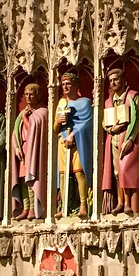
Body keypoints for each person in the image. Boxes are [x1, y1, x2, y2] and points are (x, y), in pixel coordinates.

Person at [102, 68, 139, 215]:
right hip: (113, 138)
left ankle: (129, 203)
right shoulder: (108, 101)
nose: (113, 82)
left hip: (128, 137)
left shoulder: (133, 96)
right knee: (117, 172)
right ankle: (120, 202)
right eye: (111, 80)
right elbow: (103, 122)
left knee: (127, 170)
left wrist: (131, 138)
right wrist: (111, 129)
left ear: (123, 80)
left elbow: (138, 119)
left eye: (116, 79)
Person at [53, 73, 93, 218]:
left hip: (78, 141)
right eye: (63, 84)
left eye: (68, 83)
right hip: (63, 141)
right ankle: (64, 207)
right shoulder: (61, 104)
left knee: (79, 172)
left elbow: (88, 123)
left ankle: (83, 205)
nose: (65, 86)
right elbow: (54, 128)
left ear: (76, 85)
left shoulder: (85, 103)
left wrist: (74, 134)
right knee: (63, 175)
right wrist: (58, 121)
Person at [11, 83, 48, 220]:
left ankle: (33, 208)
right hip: (23, 149)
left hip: (35, 150)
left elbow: (33, 129)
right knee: (21, 179)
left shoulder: (43, 111)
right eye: (26, 94)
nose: (28, 97)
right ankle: (25, 208)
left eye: (31, 94)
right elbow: (15, 132)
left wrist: (26, 118)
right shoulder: (23, 113)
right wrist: (16, 147)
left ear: (38, 95)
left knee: (31, 178)